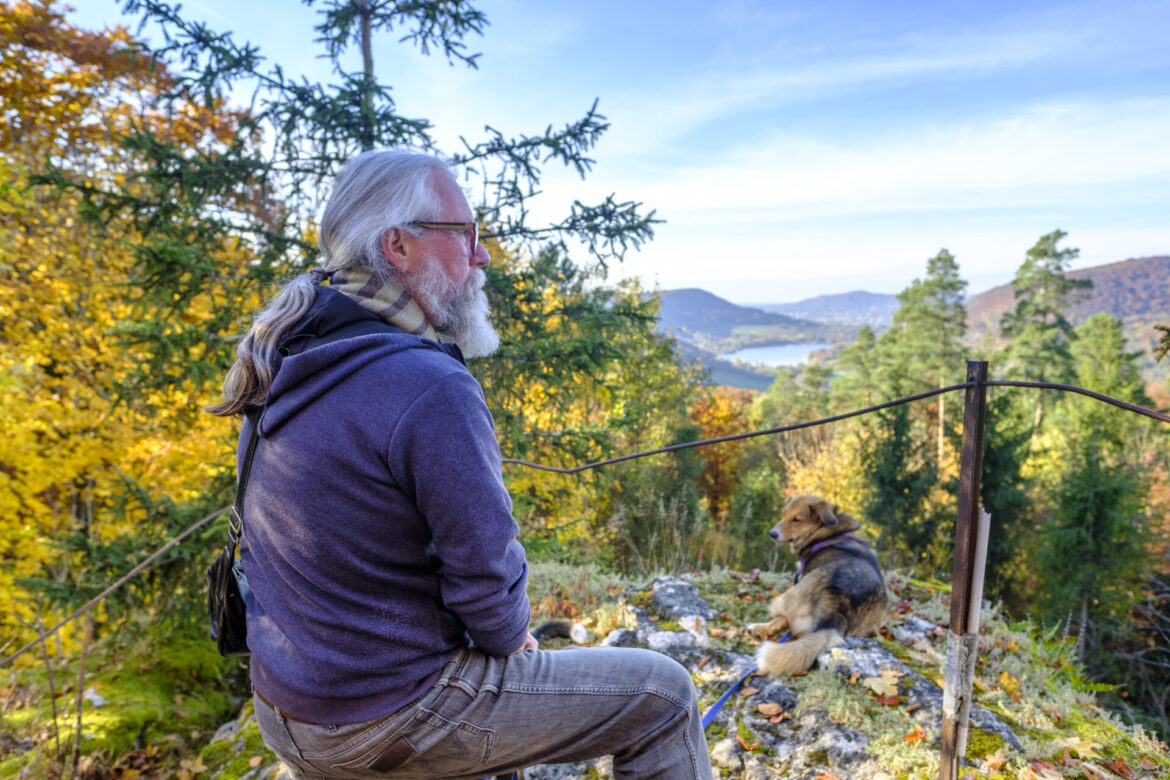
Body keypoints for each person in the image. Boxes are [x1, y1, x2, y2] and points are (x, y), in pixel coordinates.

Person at [208, 149, 713, 779]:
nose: (482, 255)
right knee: (663, 694)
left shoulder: (289, 352)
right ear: (398, 246)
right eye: (466, 234)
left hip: (289, 705)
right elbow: (485, 581)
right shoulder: (424, 381)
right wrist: (509, 638)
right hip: (380, 717)